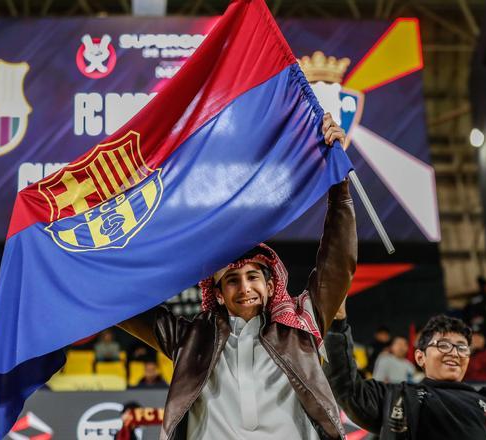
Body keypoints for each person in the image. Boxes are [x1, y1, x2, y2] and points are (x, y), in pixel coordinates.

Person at [117, 114, 356, 439]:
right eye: (231, 280)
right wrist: (119, 215)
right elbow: (120, 301)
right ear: (216, 293)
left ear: (271, 285)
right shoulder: (190, 340)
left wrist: (338, 184)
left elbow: (338, 263)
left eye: (253, 276)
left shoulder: (300, 326)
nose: (244, 287)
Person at [324, 303, 486, 439]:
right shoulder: (400, 398)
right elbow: (347, 389)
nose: (454, 353)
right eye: (444, 345)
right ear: (420, 357)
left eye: (462, 347)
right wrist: (337, 324)